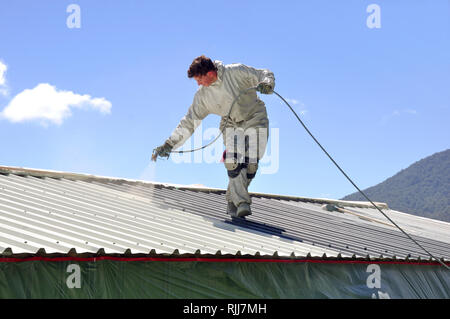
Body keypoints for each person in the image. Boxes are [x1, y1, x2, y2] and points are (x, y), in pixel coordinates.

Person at [152, 55, 275, 218]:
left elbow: (264, 73)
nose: (198, 84)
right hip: (230, 122)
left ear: (210, 73)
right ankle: (242, 203)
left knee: (251, 165)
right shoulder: (202, 96)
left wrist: (267, 84)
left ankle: (232, 199)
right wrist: (169, 144)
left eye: (199, 79)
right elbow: (189, 121)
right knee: (233, 160)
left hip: (255, 116)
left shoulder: (235, 72)